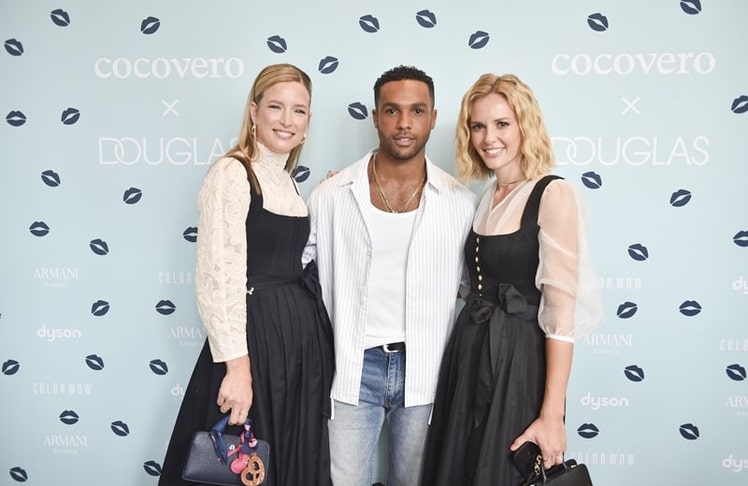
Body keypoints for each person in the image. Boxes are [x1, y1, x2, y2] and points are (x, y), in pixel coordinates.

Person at [421, 73, 604, 485]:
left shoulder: (552, 194)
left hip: (519, 363)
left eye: (502, 124)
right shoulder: (486, 197)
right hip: (469, 356)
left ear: (525, 125)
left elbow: (560, 317)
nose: (489, 137)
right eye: (478, 126)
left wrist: (552, 414)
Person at [159, 63, 334, 486]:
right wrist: (237, 369)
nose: (287, 120)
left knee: (289, 457)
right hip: (255, 346)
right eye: (276, 107)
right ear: (254, 112)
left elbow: (292, 254)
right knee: (243, 463)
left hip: (297, 348)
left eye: (299, 111)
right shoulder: (232, 174)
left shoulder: (289, 184)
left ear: (308, 123)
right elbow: (218, 277)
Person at [303, 65, 477, 486]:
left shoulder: (461, 204)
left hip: (426, 372)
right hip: (351, 369)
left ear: (433, 118)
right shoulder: (331, 195)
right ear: (375, 116)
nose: (404, 124)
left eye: (417, 111)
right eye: (392, 111)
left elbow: (477, 293)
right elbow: (294, 274)